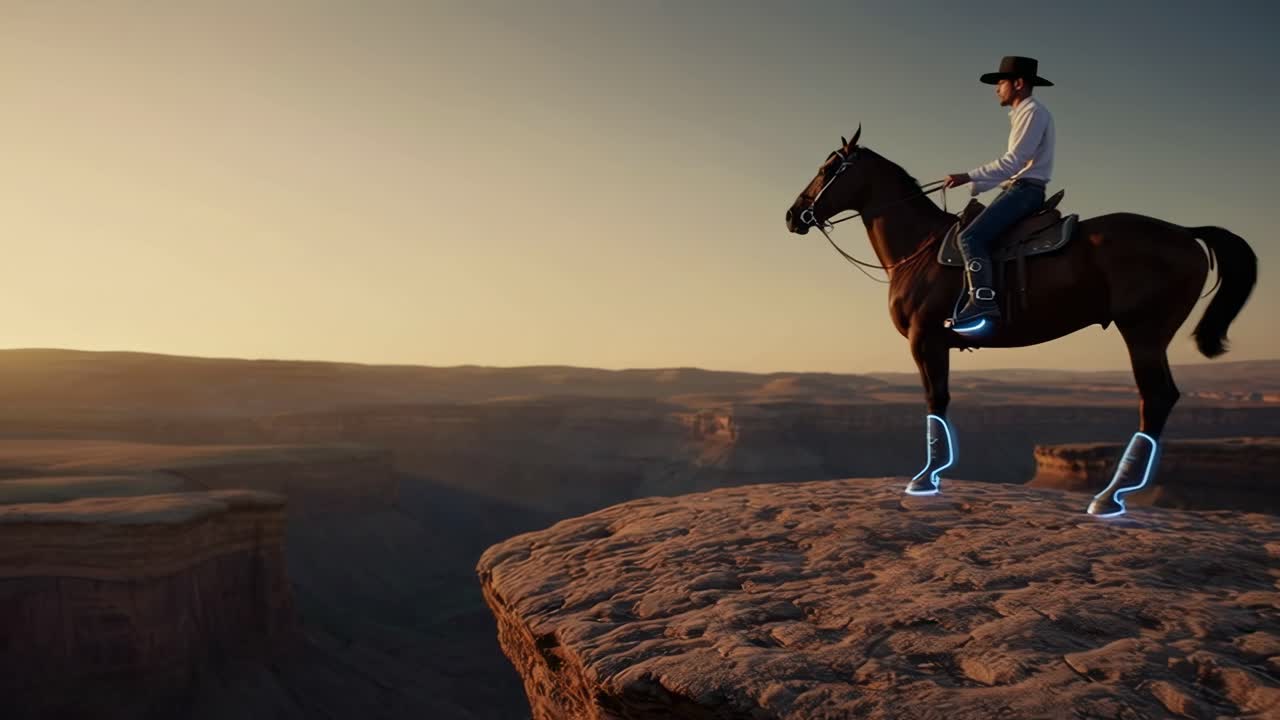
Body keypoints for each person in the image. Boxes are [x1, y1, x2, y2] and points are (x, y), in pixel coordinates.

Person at [943, 56, 1056, 331]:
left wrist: (967, 176)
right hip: (1021, 187)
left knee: (969, 237)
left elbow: (1013, 162)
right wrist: (977, 185)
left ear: (1018, 84)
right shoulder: (1026, 113)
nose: (997, 89)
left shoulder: (1032, 112)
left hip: (1025, 191)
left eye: (1001, 82)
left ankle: (982, 300)